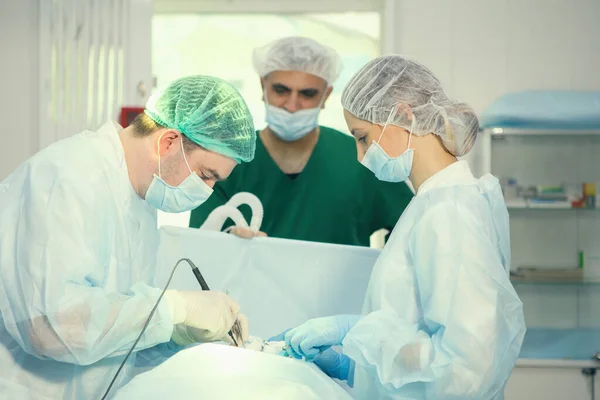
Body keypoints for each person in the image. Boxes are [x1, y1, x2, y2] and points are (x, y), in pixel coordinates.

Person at [271, 56, 526, 399]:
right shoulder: (432, 204)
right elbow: (424, 338)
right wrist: (357, 367)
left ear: (404, 116)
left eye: (362, 137)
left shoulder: (448, 212)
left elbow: (466, 369)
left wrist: (360, 333)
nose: (361, 156)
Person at [0, 75, 256, 399]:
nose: (207, 191)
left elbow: (110, 338)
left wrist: (178, 335)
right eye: (206, 175)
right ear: (168, 142)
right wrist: (173, 308)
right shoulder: (69, 176)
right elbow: (48, 327)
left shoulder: (141, 200)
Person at [189, 37, 414, 245]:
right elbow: (199, 242)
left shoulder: (360, 157)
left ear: (325, 96)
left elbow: (410, 226)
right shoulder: (226, 159)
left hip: (340, 290)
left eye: (307, 94)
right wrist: (230, 241)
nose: (292, 105)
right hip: (242, 289)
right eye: (280, 90)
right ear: (262, 86)